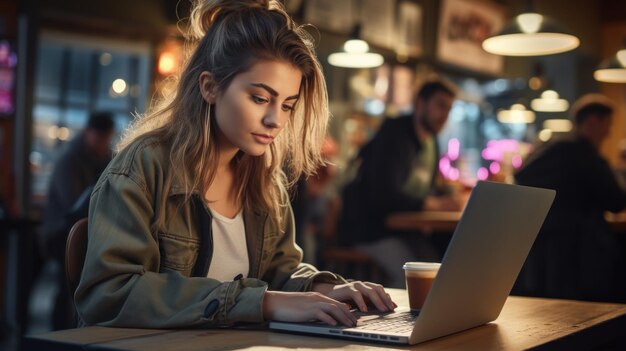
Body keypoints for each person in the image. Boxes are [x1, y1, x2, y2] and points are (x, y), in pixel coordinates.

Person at [75, 0, 396, 329]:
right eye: (259, 98)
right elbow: (109, 294)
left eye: (288, 105)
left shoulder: (265, 181)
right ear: (210, 87)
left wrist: (323, 289)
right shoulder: (144, 168)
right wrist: (264, 301)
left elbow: (279, 271)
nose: (275, 120)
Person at [338, 79, 463, 288]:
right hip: (370, 230)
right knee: (416, 279)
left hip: (402, 230)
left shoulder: (431, 141)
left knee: (442, 268)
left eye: (449, 109)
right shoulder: (395, 135)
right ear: (420, 104)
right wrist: (432, 204)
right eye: (440, 105)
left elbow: (428, 186)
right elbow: (384, 194)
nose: (445, 115)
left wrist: (448, 195)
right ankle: (403, 320)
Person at [514, 94, 626, 302]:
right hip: (579, 251)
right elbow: (616, 202)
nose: (609, 133)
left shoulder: (554, 146)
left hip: (540, 244)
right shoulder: (587, 154)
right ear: (593, 121)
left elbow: (521, 175)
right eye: (607, 125)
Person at [41, 110, 114, 330]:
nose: (102, 143)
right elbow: (71, 205)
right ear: (88, 132)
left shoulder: (106, 159)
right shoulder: (68, 160)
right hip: (60, 233)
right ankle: (59, 335)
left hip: (87, 232)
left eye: (106, 138)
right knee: (66, 292)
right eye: (99, 137)